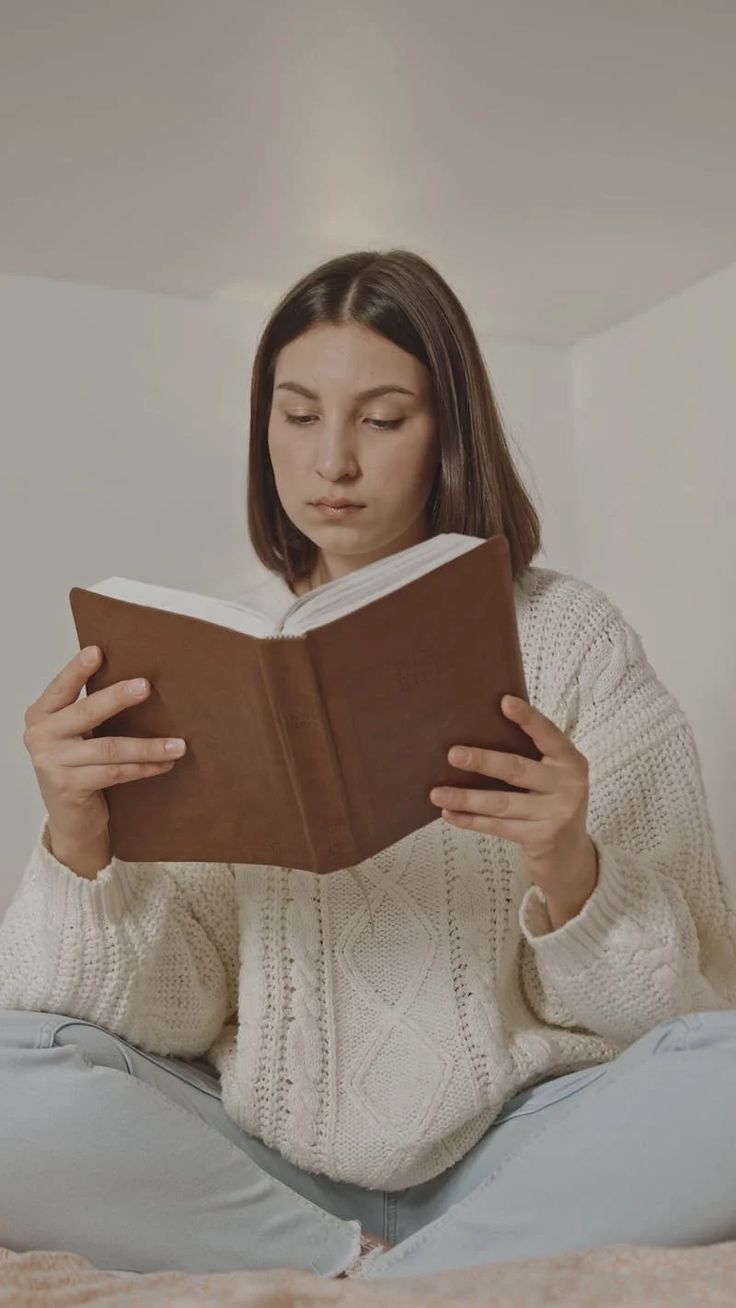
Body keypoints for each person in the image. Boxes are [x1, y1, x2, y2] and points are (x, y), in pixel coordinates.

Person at [2, 248, 736, 1282]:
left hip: (519, 1149)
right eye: (297, 415)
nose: (331, 461)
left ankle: (395, 1274)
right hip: (265, 1161)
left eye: (381, 419)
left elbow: (688, 1008)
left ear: (447, 430)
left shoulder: (569, 638)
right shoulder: (206, 655)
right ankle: (351, 1263)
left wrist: (571, 866)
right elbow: (160, 1016)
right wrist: (79, 842)